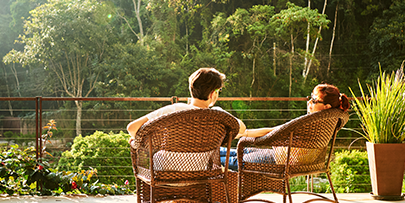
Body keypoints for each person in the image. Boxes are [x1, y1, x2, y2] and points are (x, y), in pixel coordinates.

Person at [221, 83, 350, 171]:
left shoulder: (308, 122)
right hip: (287, 156)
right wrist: (245, 133)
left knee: (234, 159)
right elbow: (278, 130)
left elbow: (275, 131)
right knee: (232, 152)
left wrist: (245, 134)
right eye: (311, 98)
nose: (309, 102)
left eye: (315, 101)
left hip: (285, 160)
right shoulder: (328, 119)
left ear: (326, 107)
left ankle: (204, 155)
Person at [126, 67, 246, 140]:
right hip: (202, 172)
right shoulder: (218, 115)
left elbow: (132, 128)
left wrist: (142, 140)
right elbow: (241, 129)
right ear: (212, 94)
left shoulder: (175, 110)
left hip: (164, 173)